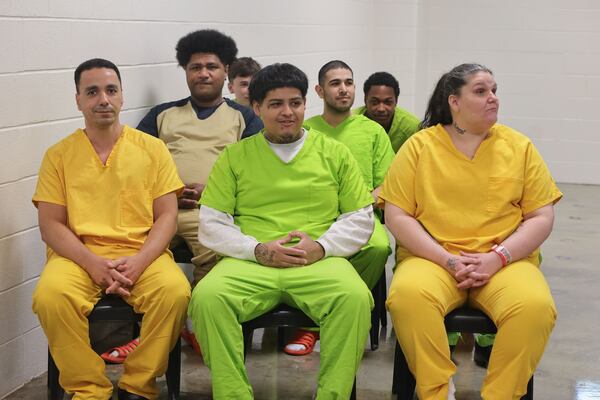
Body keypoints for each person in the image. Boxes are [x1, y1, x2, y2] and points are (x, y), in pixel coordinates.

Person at [188, 63, 374, 399]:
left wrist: (322, 246)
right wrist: (258, 249)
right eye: (276, 104)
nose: (287, 112)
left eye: (296, 103)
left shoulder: (334, 153)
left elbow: (360, 216)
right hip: (250, 262)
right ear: (257, 108)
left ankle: (332, 395)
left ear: (306, 104)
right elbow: (212, 222)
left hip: (317, 261)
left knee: (355, 297)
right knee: (207, 298)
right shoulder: (235, 156)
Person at [380, 63, 562, 400]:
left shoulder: (519, 147)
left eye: (494, 90)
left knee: (535, 307)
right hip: (433, 258)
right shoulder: (420, 147)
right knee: (407, 299)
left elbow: (540, 216)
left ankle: (500, 394)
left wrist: (498, 257)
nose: (493, 98)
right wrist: (447, 260)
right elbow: (398, 215)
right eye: (481, 91)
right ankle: (436, 391)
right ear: (454, 101)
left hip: (504, 262)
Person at [31, 58, 191, 400]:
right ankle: (88, 388)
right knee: (50, 296)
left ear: (121, 97)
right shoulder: (58, 155)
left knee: (175, 292)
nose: (103, 99)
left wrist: (140, 260)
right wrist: (92, 263)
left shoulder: (153, 149)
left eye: (110, 90)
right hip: (77, 257)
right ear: (78, 100)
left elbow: (166, 217)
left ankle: (138, 385)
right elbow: (51, 224)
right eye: (92, 92)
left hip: (141, 254)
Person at [136, 29, 263, 355]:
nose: (203, 73)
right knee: (137, 259)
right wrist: (167, 193)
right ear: (186, 72)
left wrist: (215, 191)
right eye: (195, 67)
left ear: (226, 73)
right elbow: (134, 166)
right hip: (161, 211)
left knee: (214, 261)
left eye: (212, 66)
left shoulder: (244, 117)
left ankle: (201, 330)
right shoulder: (161, 115)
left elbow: (256, 173)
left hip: (213, 213)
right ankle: (146, 337)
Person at [283, 60, 393, 356]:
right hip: (310, 216)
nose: (343, 89)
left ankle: (316, 324)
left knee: (379, 248)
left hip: (360, 216)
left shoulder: (372, 132)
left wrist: (360, 202)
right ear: (319, 91)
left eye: (348, 82)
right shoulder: (305, 129)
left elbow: (390, 184)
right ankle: (318, 312)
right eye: (335, 83)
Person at [353, 71, 420, 152]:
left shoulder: (412, 128)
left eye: (388, 102)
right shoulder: (351, 121)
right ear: (365, 100)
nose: (381, 109)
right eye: (375, 102)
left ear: (396, 101)